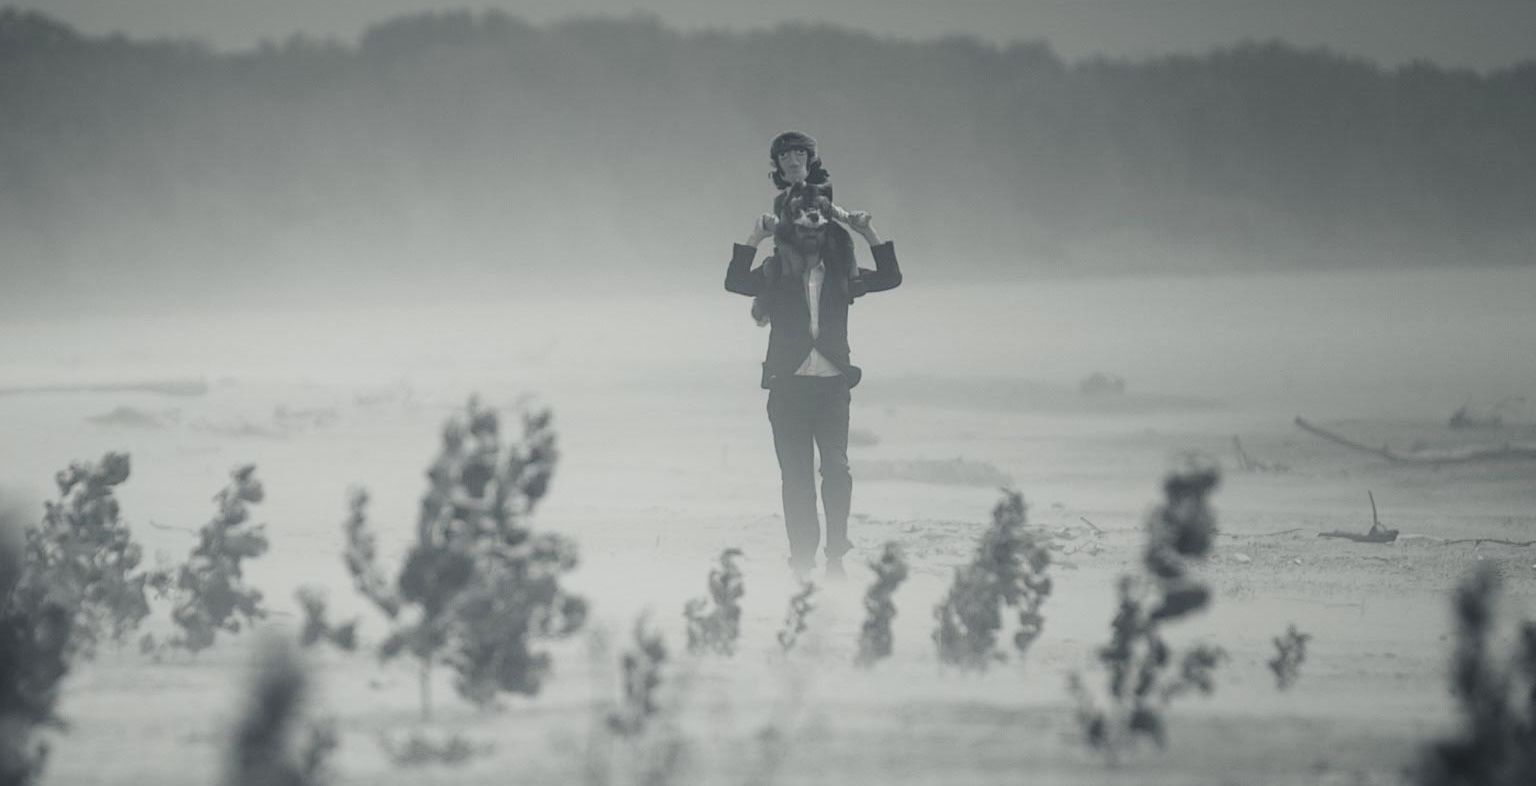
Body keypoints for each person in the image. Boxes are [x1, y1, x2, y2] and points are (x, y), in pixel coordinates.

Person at [723, 131, 903, 579]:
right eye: (801, 220)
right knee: (797, 482)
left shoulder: (843, 275)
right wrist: (755, 235)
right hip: (787, 387)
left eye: (817, 219)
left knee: (837, 470)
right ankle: (802, 559)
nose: (809, 225)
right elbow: (734, 282)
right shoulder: (775, 274)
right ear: (789, 227)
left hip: (832, 386)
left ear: (827, 228)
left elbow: (891, 277)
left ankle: (836, 555)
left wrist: (866, 230)